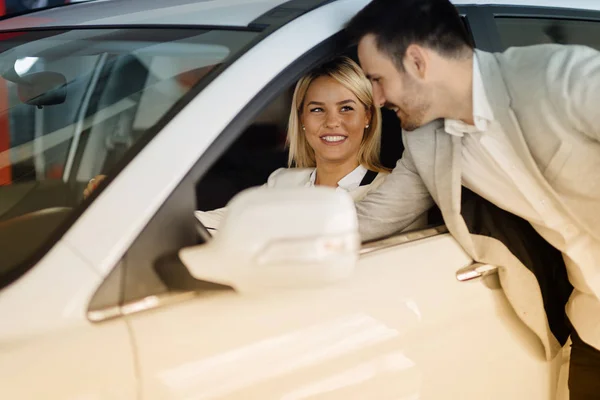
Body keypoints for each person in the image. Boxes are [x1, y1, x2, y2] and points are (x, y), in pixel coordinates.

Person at [345, 0, 600, 398]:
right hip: (593, 330)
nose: (375, 99)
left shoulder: (563, 78)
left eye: (377, 79)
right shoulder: (424, 139)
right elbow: (378, 215)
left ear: (417, 62)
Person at [195, 56, 395, 231]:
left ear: (367, 116)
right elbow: (223, 220)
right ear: (302, 119)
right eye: (317, 109)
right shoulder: (282, 181)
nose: (332, 122)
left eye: (346, 108)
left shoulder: (391, 189)